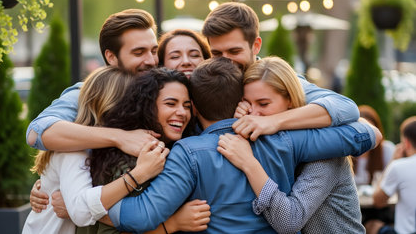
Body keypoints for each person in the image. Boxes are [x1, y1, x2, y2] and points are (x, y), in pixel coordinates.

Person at [107, 57, 381, 233]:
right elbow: (364, 135)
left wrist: (92, 206)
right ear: (241, 98)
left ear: (195, 108)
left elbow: (141, 216)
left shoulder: (188, 152)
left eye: (264, 104)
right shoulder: (289, 139)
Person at [28, 9, 161, 213]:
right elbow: (37, 132)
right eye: (139, 52)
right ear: (111, 57)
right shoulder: (90, 93)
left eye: (154, 50)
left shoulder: (166, 90)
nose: (151, 60)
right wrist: (119, 137)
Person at [217, 56, 365, 233]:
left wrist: (249, 163)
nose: (253, 113)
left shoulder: (324, 150)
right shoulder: (268, 139)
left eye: (263, 103)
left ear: (290, 100)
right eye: (248, 103)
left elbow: (288, 221)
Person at [22, 66, 168, 233]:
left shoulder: (93, 146)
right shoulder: (73, 152)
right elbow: (81, 212)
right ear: (110, 107)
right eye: (132, 106)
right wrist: (139, 174)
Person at [202, 2, 361, 142]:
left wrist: (272, 121)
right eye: (216, 54)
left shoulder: (273, 78)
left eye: (234, 51)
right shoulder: (206, 82)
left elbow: (345, 107)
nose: (226, 62)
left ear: (256, 45)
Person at [82, 68, 210, 233]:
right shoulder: (131, 159)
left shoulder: (172, 150)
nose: (182, 113)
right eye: (170, 104)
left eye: (186, 106)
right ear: (147, 106)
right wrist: (172, 224)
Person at [368, 116, 416, 234]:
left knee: (371, 225)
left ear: (406, 143)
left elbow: (378, 201)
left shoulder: (399, 166)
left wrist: (392, 162)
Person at [355, 105, 396, 185]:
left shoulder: (386, 149)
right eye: (362, 129)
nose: (366, 135)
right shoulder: (346, 151)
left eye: (370, 130)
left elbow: (391, 180)